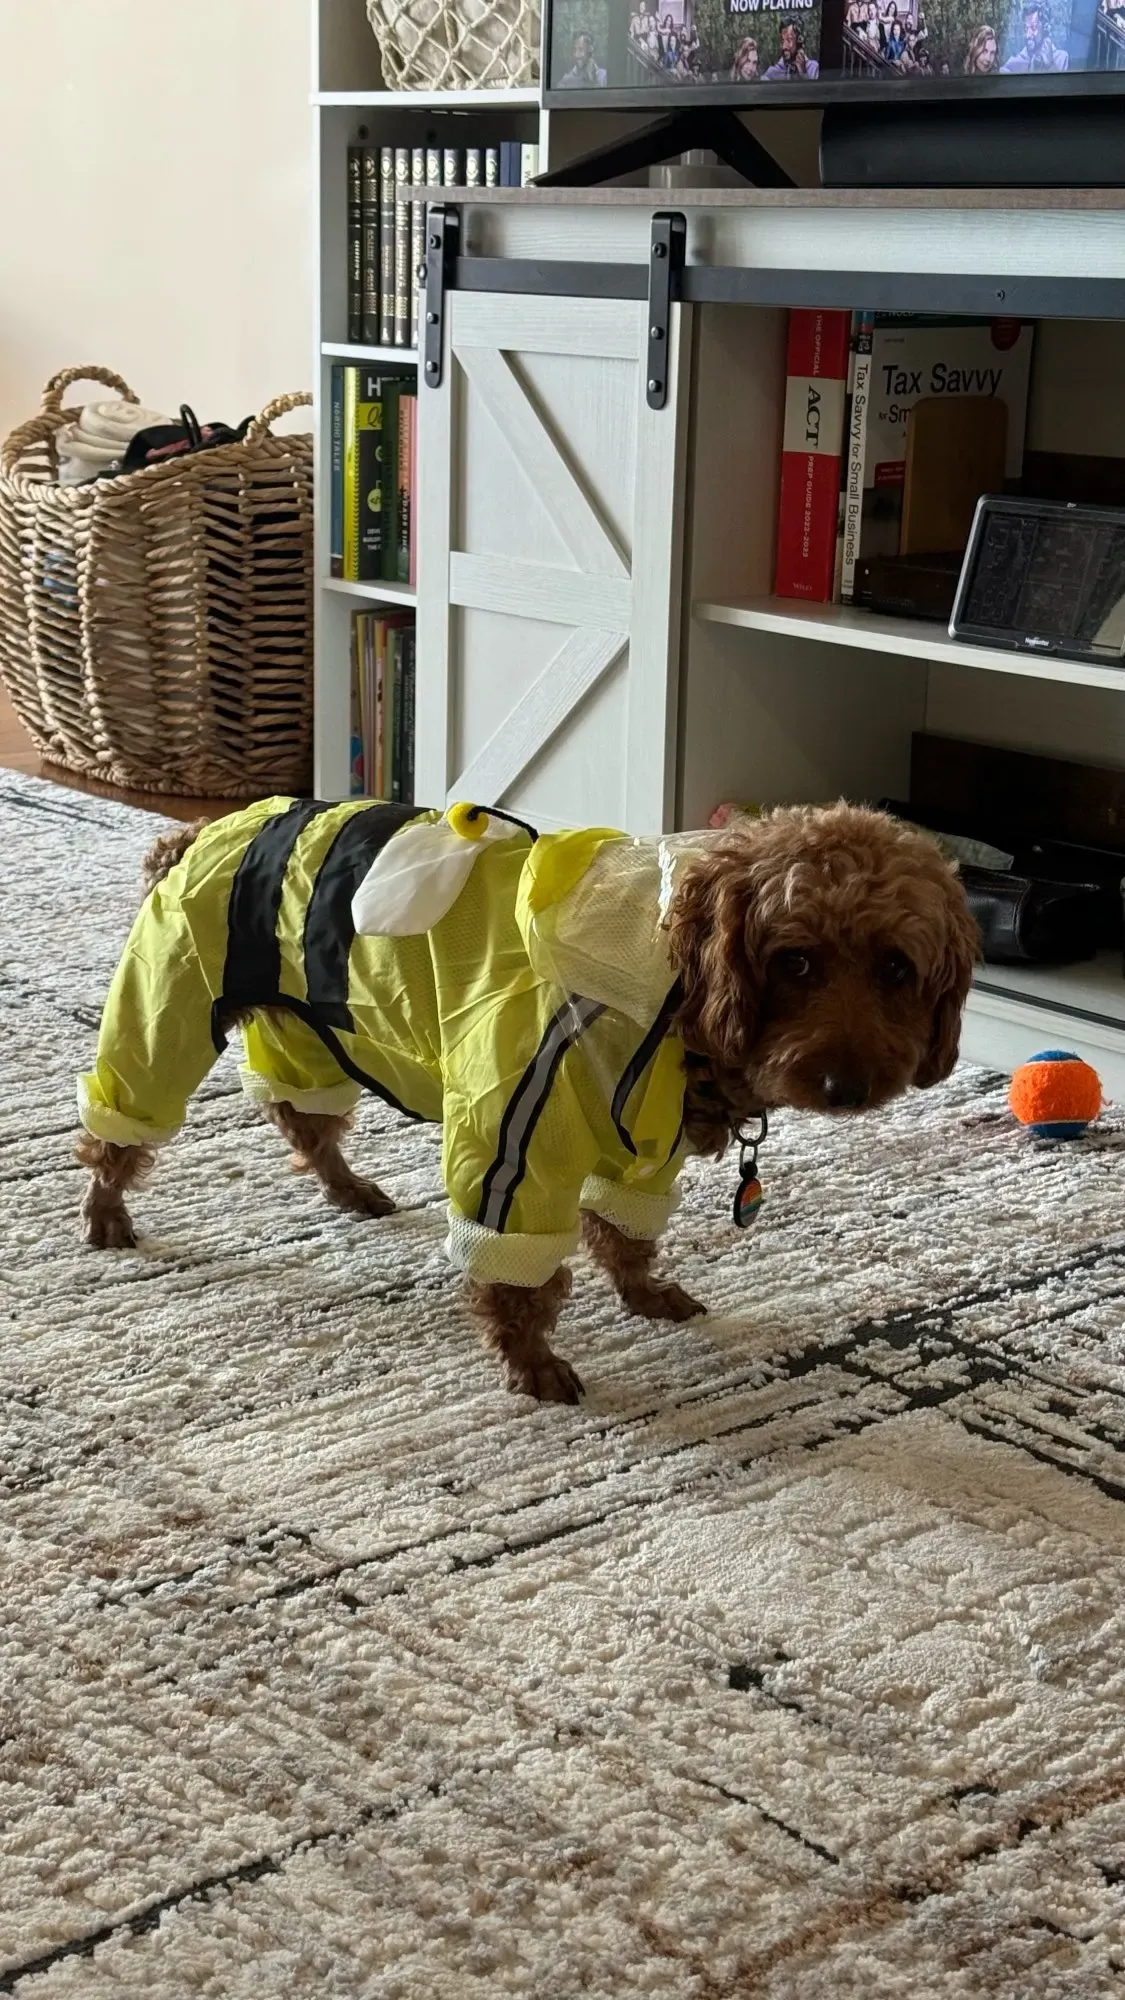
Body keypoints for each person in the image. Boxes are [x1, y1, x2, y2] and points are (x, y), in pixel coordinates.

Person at [1000, 2, 1068, 69]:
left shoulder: (1061, 59)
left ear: (1045, 29)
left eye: (1033, 28)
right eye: (1026, 29)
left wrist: (1050, 66)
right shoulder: (1014, 63)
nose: (1028, 35)